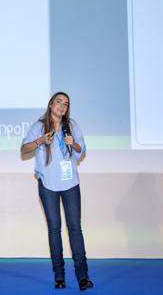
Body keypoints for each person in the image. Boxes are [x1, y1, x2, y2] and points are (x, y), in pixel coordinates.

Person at [20, 92, 94, 291]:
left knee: (75, 228)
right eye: (59, 102)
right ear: (51, 104)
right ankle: (59, 276)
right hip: (48, 184)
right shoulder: (39, 126)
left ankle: (83, 276)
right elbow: (23, 150)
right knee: (54, 229)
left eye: (66, 103)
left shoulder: (73, 126)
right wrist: (40, 141)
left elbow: (82, 150)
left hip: (70, 183)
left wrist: (74, 144)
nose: (62, 106)